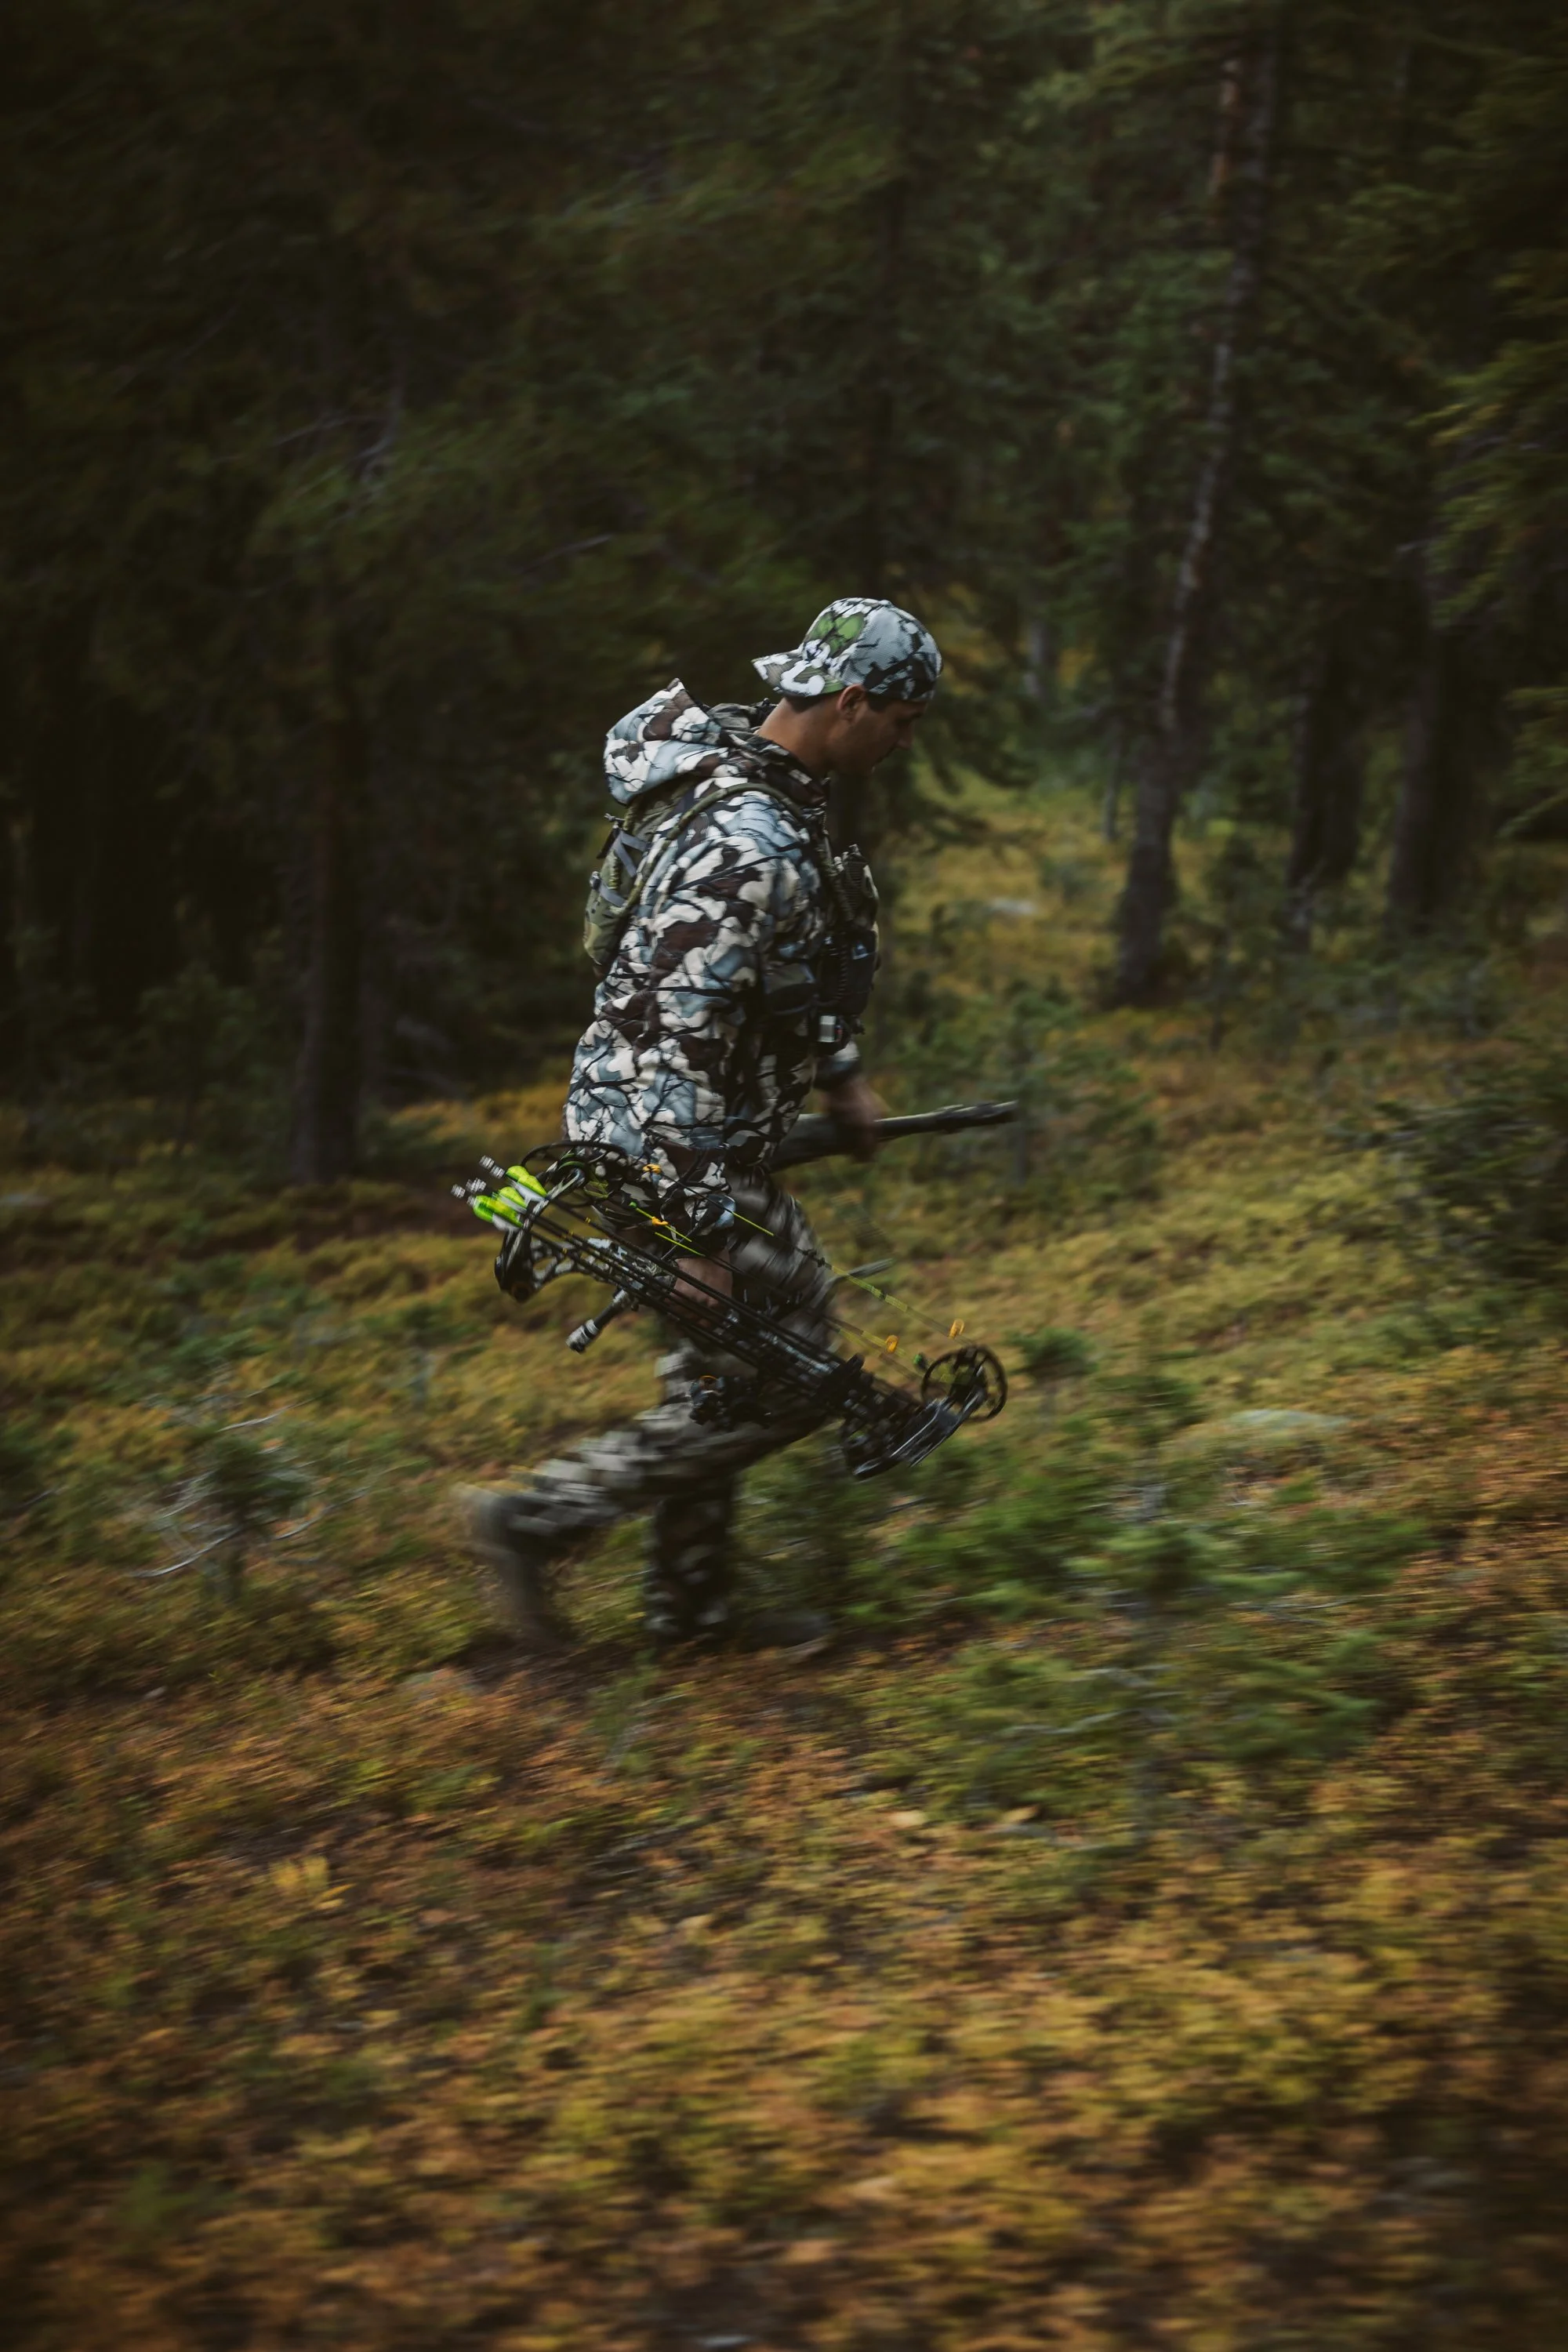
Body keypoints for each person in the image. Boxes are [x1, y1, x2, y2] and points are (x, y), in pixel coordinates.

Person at [458, 597, 942, 1650]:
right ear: (852, 702)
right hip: (664, 1145)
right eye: (903, 721)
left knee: (730, 1377)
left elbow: (772, 978)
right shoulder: (749, 841)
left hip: (680, 1131)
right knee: (798, 1359)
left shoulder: (759, 784)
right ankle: (535, 1521)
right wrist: (697, 1232)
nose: (908, 742)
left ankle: (690, 1614)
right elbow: (672, 1032)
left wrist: (840, 1077)